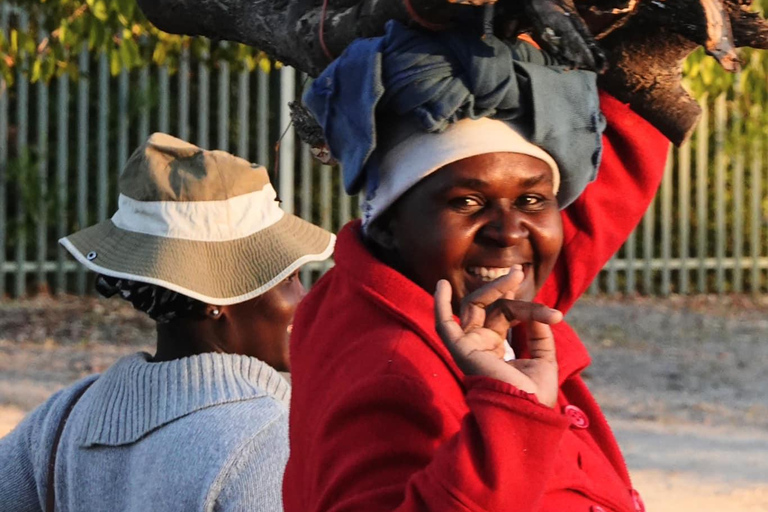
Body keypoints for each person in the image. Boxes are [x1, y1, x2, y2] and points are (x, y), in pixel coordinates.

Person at [283, 22, 668, 512]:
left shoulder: (461, 303)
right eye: (467, 201)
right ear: (388, 225)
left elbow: (588, 224)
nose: (508, 232)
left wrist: (649, 93)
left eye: (531, 200)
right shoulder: (394, 373)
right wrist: (513, 412)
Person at [0, 133, 335, 512]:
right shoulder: (265, 439)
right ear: (215, 297)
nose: (303, 298)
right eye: (288, 278)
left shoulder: (62, 422)